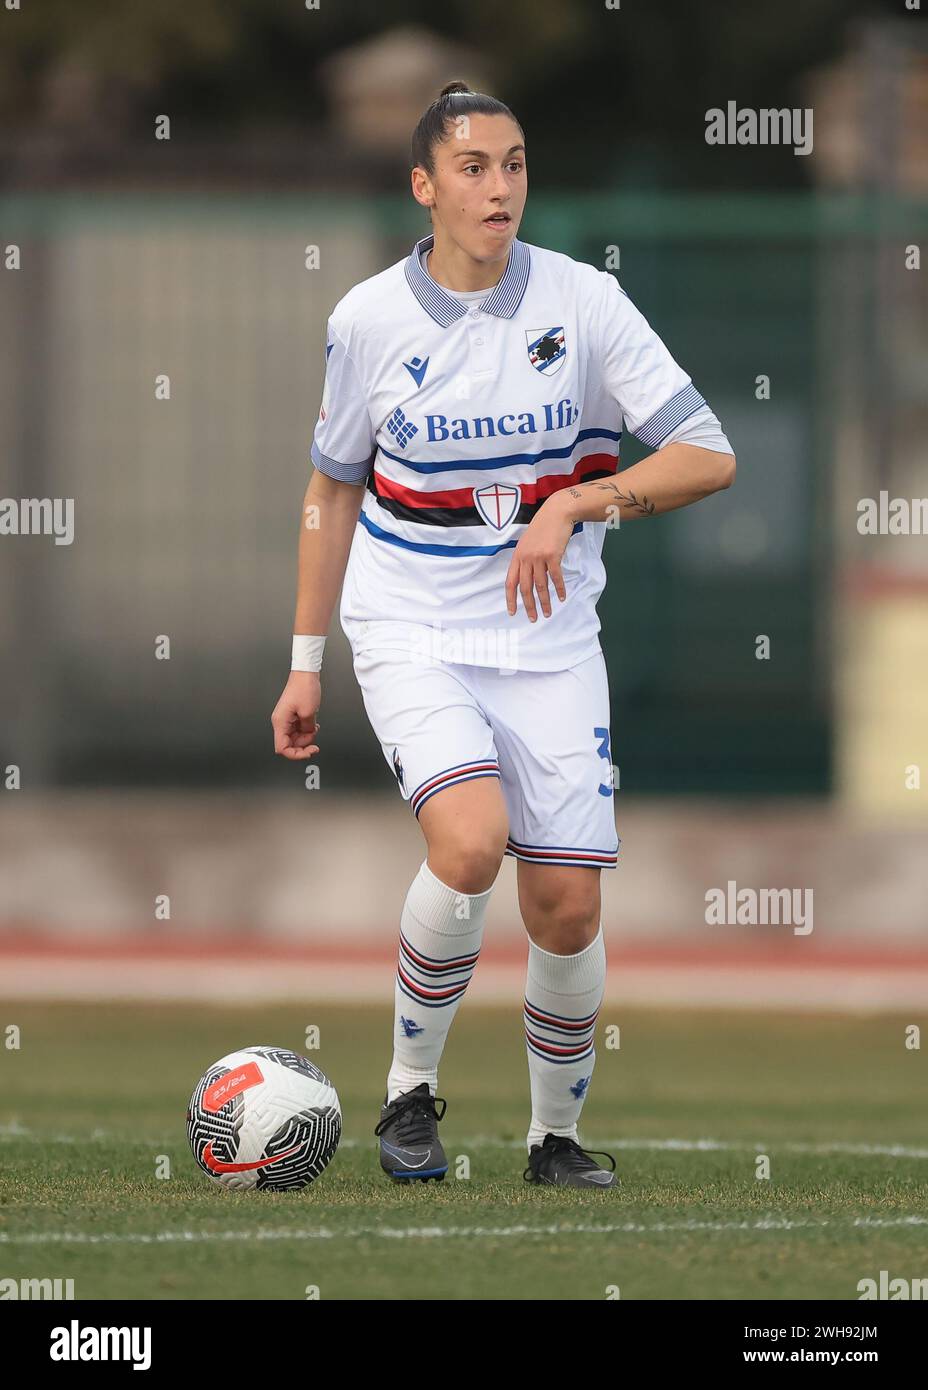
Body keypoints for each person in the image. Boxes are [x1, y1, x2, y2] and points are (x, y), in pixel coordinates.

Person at [272, 81, 735, 1189]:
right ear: (425, 187)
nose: (499, 187)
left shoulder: (584, 304)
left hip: (551, 641)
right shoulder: (368, 321)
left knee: (565, 904)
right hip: (410, 626)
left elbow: (708, 453)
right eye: (473, 167)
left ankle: (551, 1139)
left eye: (515, 163)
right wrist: (303, 664)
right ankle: (407, 1094)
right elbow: (331, 492)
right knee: (470, 842)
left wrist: (579, 503)